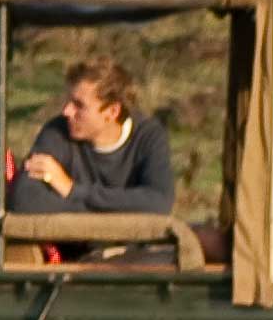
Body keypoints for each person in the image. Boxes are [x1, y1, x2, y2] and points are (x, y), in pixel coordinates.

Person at [9, 58, 175, 231]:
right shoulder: (57, 132)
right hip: (74, 252)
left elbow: (158, 202)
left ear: (111, 112)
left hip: (134, 253)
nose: (67, 111)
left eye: (79, 105)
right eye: (68, 102)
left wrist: (74, 190)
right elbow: (24, 200)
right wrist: (114, 217)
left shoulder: (148, 136)